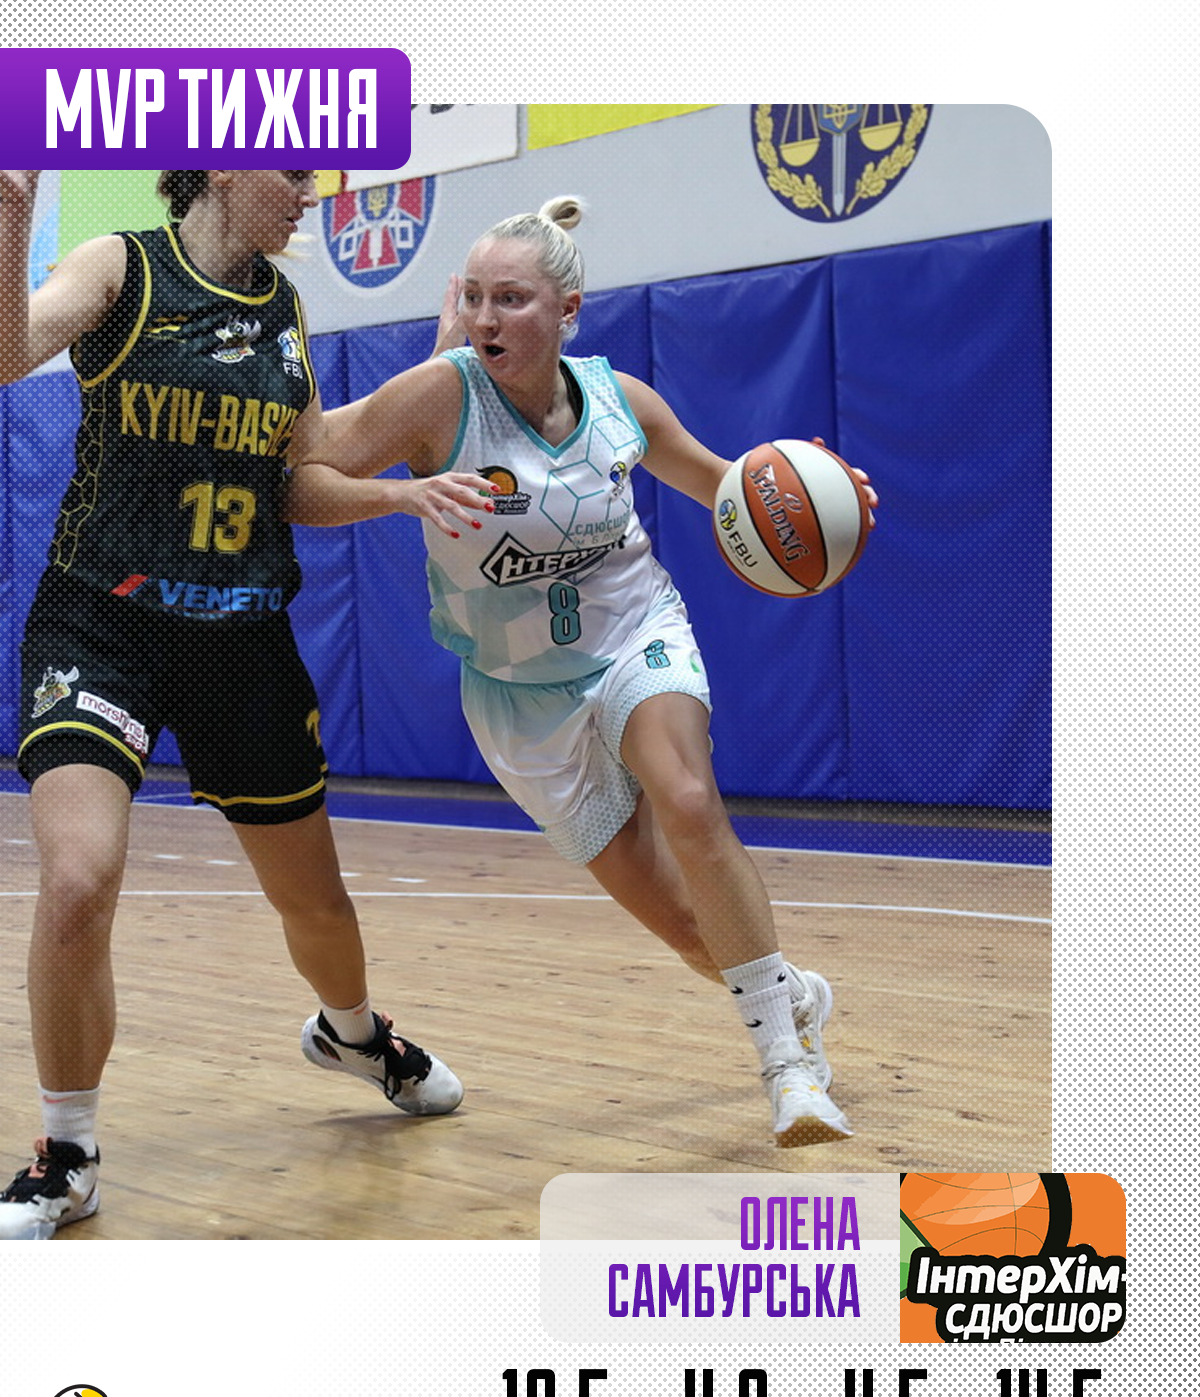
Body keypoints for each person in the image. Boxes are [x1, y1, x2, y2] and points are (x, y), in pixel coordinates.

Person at [284, 195, 878, 1149]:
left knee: (689, 798)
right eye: (474, 298)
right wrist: (402, 495)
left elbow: (725, 484)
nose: (485, 317)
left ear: (568, 311)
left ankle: (789, 1072)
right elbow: (301, 484)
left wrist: (822, 494)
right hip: (518, 697)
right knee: (690, 931)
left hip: (635, 634)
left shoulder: (621, 402)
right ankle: (789, 996)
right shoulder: (439, 396)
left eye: (511, 299)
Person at [0, 169, 476, 1240]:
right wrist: (11, 214)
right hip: (102, 621)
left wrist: (398, 492)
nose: (309, 191)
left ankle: (354, 1035)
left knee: (318, 908)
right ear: (222, 163)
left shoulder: (284, 310)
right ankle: (68, 1154)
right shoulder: (123, 267)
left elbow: (295, 478)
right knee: (77, 881)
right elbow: (4, 354)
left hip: (242, 640)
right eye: (292, 173)